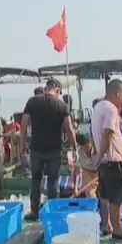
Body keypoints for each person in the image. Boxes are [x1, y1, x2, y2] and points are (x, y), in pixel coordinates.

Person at [21, 78, 76, 221]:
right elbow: (69, 129)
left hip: (36, 149)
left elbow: (23, 125)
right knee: (53, 181)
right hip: (54, 150)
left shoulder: (32, 101)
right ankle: (53, 212)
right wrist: (74, 147)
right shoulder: (61, 105)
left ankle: (34, 211)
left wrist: (22, 145)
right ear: (57, 90)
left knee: (36, 180)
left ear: (46, 88)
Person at [91, 80, 122, 239]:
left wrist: (97, 155)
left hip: (104, 162)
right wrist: (101, 155)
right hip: (113, 160)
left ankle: (107, 225)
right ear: (117, 93)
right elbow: (108, 132)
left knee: (105, 196)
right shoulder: (111, 109)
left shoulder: (98, 107)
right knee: (116, 197)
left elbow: (95, 134)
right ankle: (117, 230)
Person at [73, 133, 99, 198]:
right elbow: (77, 172)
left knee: (104, 194)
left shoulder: (97, 148)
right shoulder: (77, 153)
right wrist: (75, 188)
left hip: (100, 171)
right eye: (85, 147)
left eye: (89, 146)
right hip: (87, 172)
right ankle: (93, 207)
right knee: (90, 194)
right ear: (81, 146)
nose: (88, 148)